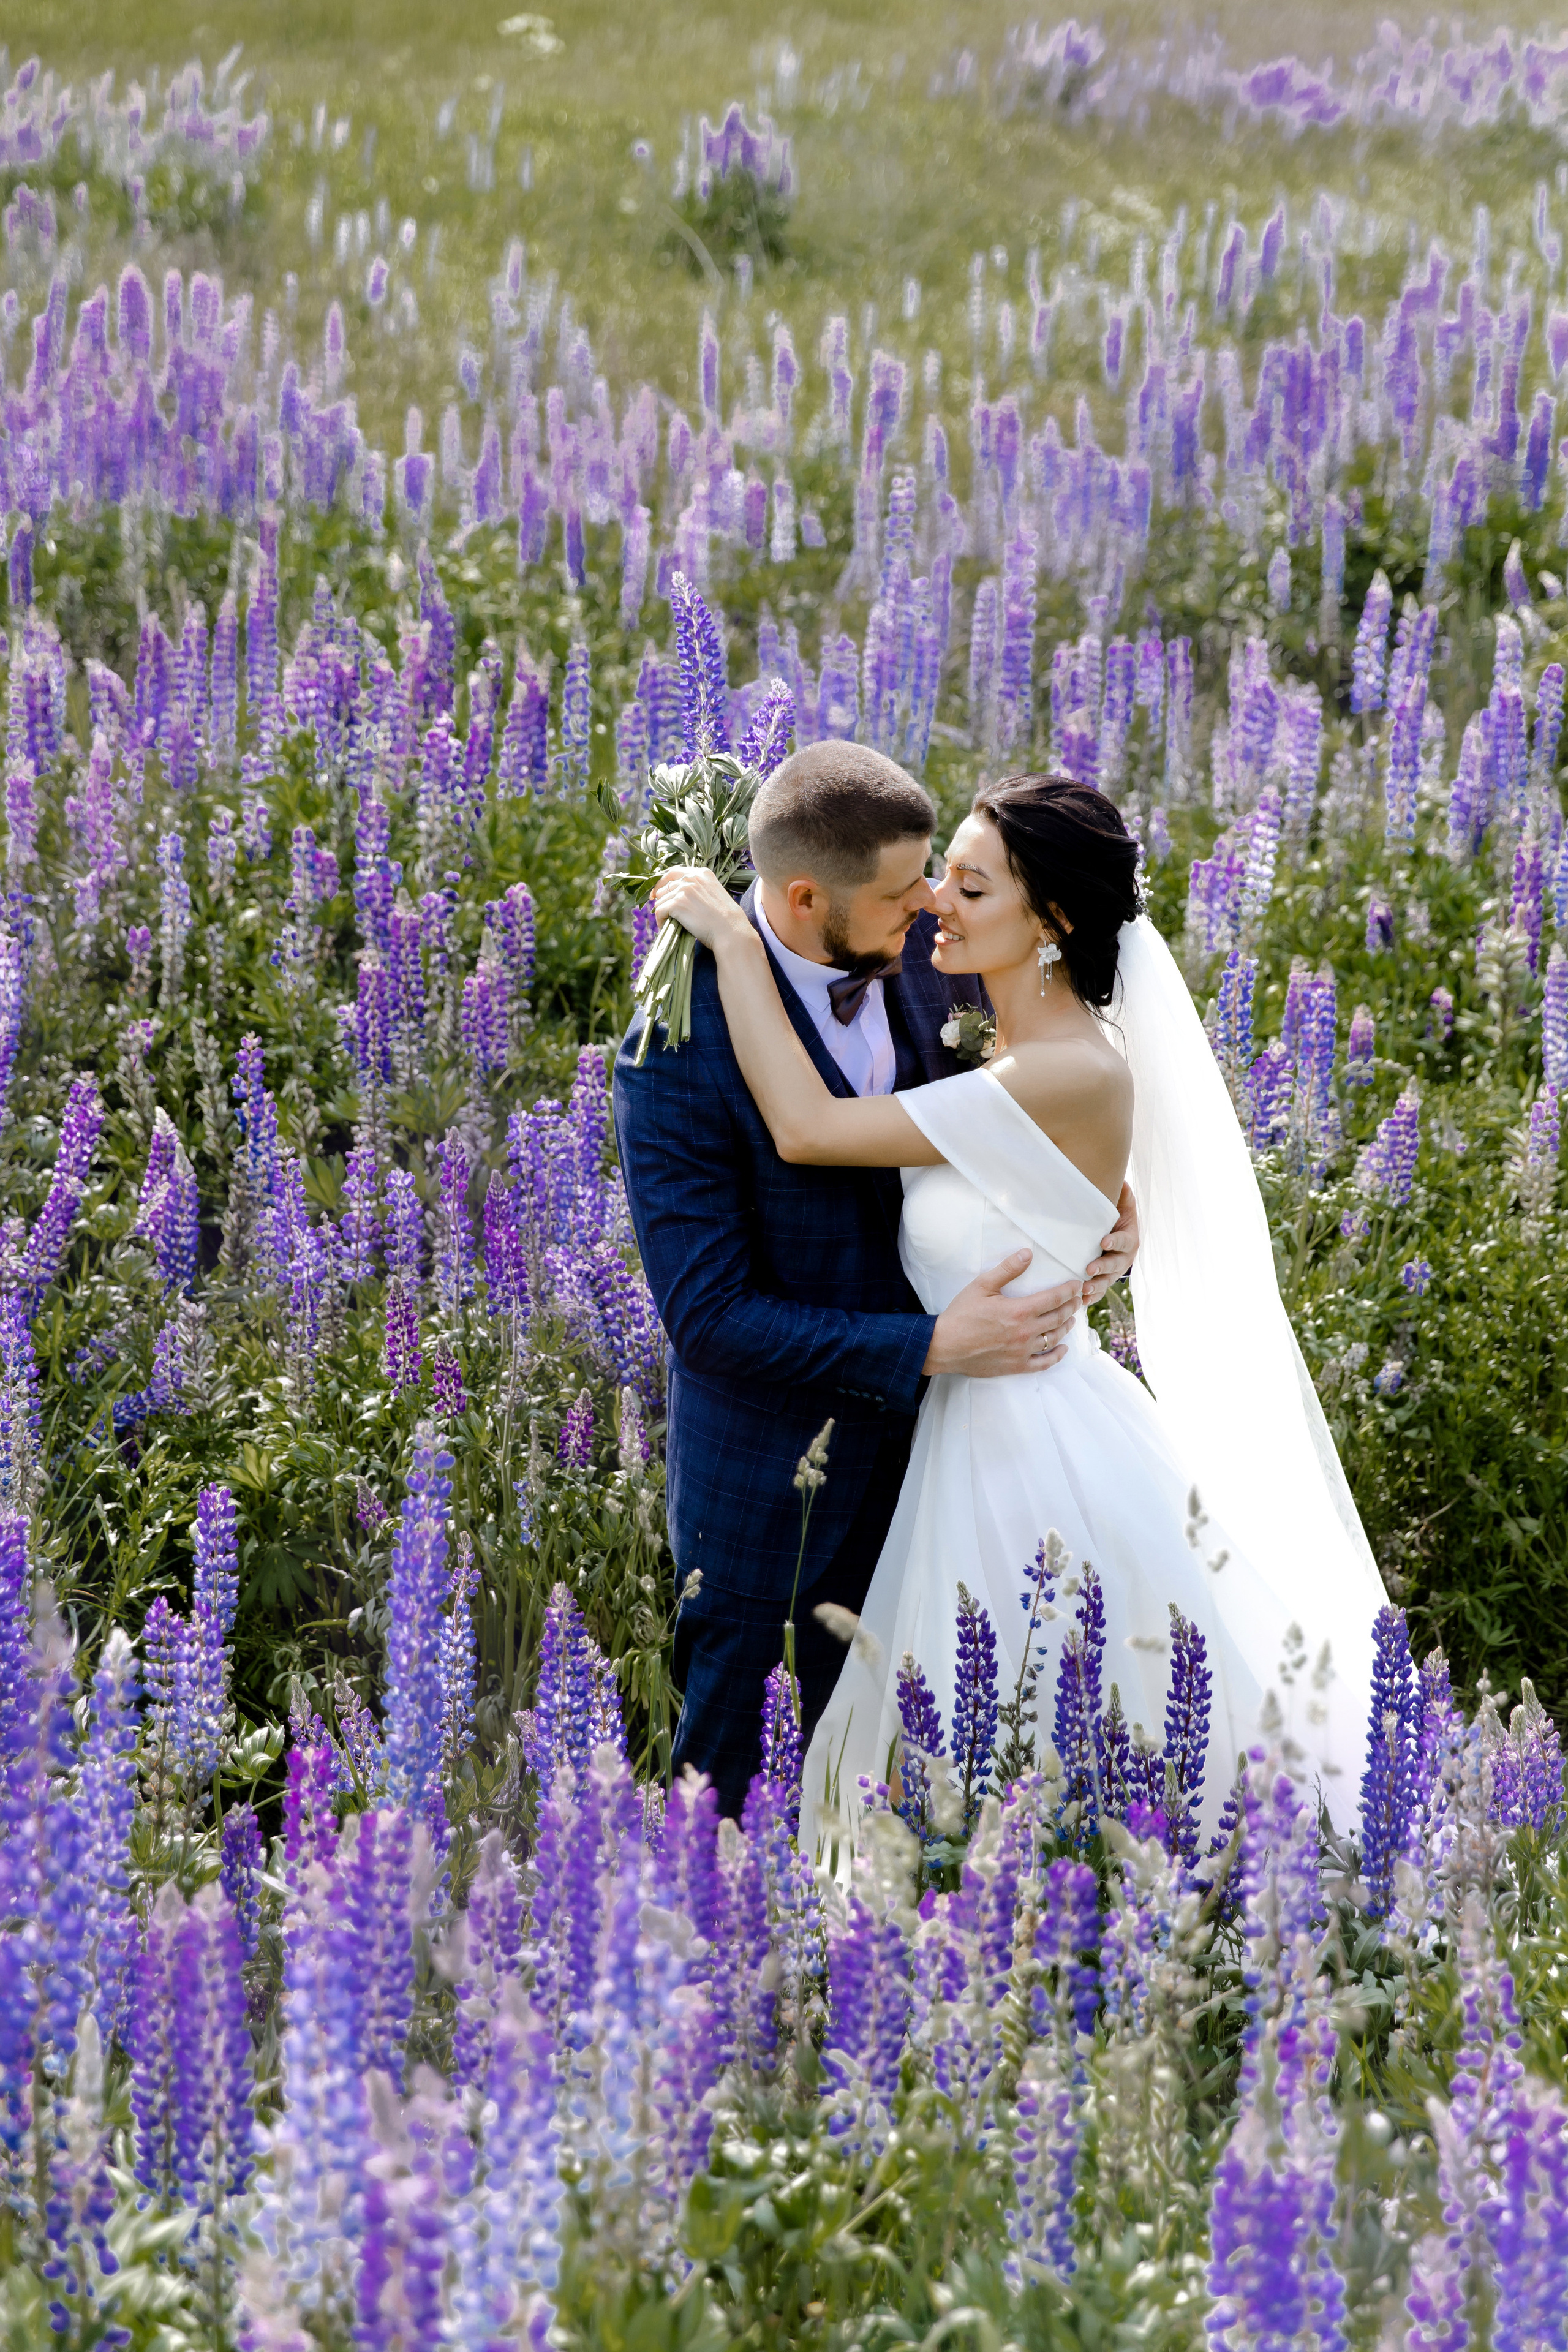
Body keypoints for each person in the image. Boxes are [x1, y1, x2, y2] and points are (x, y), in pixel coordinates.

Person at [653, 772, 1389, 1846]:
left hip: (1026, 1446)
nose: (935, 905)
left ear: (1053, 921)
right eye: (938, 878)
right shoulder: (993, 1032)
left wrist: (730, 937)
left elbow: (809, 1128)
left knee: (1034, 1739)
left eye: (970, 886)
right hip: (952, 1429)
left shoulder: (1058, 1070)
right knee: (967, 1750)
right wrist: (1091, 1212)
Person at [612, 745, 1141, 1817]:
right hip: (776, 1498)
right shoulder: (673, 1049)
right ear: (808, 898)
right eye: (906, 896)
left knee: (956, 1797)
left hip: (963, 1471)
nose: (934, 909)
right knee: (735, 1808)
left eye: (944, 878)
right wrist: (930, 1350)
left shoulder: (944, 957)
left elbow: (1053, 1100)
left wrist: (1103, 1207)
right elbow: (711, 1320)